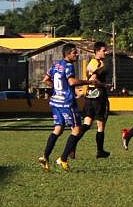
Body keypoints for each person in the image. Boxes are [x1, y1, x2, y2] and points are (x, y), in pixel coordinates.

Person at [39, 43, 100, 171]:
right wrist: (89, 82)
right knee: (77, 130)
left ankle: (45, 156)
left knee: (58, 129)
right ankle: (63, 159)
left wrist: (58, 89)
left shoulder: (56, 65)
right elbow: (72, 82)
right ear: (67, 54)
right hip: (67, 103)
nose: (77, 55)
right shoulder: (69, 66)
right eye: (74, 53)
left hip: (55, 101)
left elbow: (45, 79)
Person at [80, 41, 113, 158]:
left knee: (87, 124)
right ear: (97, 51)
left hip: (89, 96)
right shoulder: (98, 63)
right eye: (104, 50)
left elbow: (89, 76)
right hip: (99, 97)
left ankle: (72, 144)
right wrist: (105, 85)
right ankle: (100, 151)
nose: (106, 52)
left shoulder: (91, 62)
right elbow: (93, 78)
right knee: (100, 126)